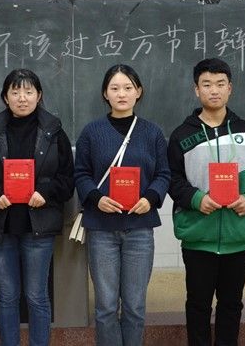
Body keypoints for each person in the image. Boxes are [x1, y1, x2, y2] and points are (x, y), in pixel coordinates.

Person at [167, 58, 245, 346]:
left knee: (231, 304)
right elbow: (172, 179)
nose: (214, 90)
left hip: (239, 235)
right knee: (198, 304)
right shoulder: (182, 135)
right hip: (198, 235)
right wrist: (197, 199)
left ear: (230, 88)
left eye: (220, 84)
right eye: (207, 84)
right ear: (196, 90)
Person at [0, 68, 74, 346]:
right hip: (1, 225)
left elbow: (67, 180)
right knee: (7, 296)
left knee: (37, 296)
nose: (22, 98)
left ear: (39, 95)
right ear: (5, 97)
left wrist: (45, 192)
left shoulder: (54, 132)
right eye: (15, 92)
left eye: (29, 92)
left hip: (38, 226)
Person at [74, 64, 171, 346]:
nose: (121, 94)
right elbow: (81, 174)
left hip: (139, 229)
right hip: (102, 229)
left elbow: (164, 174)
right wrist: (96, 198)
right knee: (105, 307)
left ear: (138, 91)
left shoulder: (152, 133)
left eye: (128, 88)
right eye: (115, 88)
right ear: (105, 93)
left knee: (134, 306)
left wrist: (150, 198)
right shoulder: (92, 132)